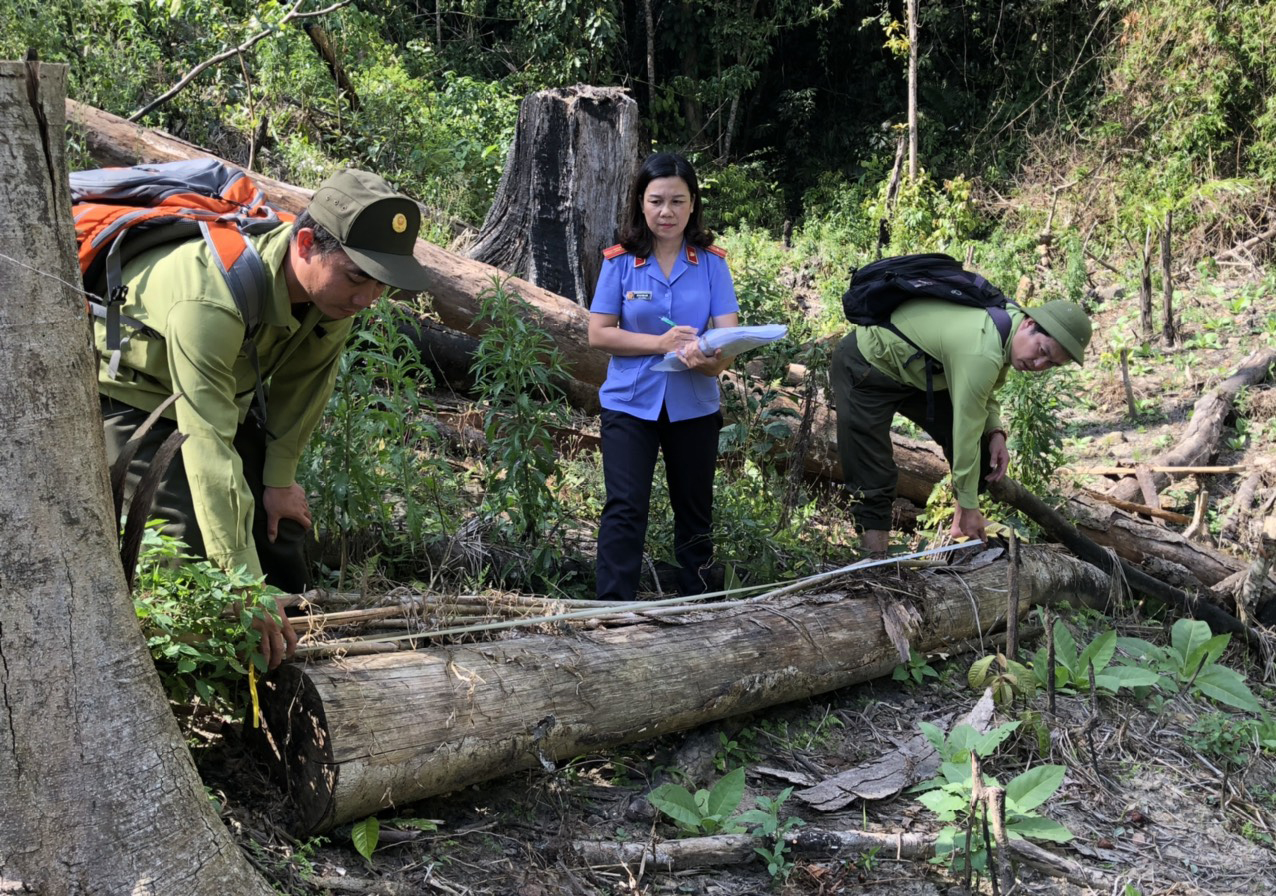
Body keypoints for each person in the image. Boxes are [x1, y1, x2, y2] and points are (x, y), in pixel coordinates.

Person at [97, 168, 430, 667]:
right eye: (357, 276)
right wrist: (243, 583)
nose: (367, 300)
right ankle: (192, 680)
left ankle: (293, 664)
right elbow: (206, 445)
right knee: (184, 545)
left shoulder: (333, 300)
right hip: (136, 399)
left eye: (380, 283)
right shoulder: (209, 298)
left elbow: (303, 390)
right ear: (304, 244)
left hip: (221, 397)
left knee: (282, 528)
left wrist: (279, 480)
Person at [587, 152, 740, 601]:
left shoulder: (712, 263)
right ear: (641, 202)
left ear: (693, 205)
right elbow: (599, 333)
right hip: (630, 402)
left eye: (677, 201)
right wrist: (659, 344)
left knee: (694, 509)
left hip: (694, 402)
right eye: (656, 201)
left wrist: (715, 360)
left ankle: (696, 601)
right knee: (625, 506)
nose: (666, 212)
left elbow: (728, 335)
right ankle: (613, 607)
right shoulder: (619, 261)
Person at [832, 296, 1092, 555]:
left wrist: (995, 432)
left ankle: (958, 531)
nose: (1038, 365)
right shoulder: (982, 346)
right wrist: (969, 505)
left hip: (922, 372)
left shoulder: (1006, 326)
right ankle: (875, 565)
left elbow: (984, 391)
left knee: (983, 450)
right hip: (867, 364)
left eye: (1051, 364)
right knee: (871, 471)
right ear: (1029, 324)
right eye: (1042, 351)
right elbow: (965, 430)